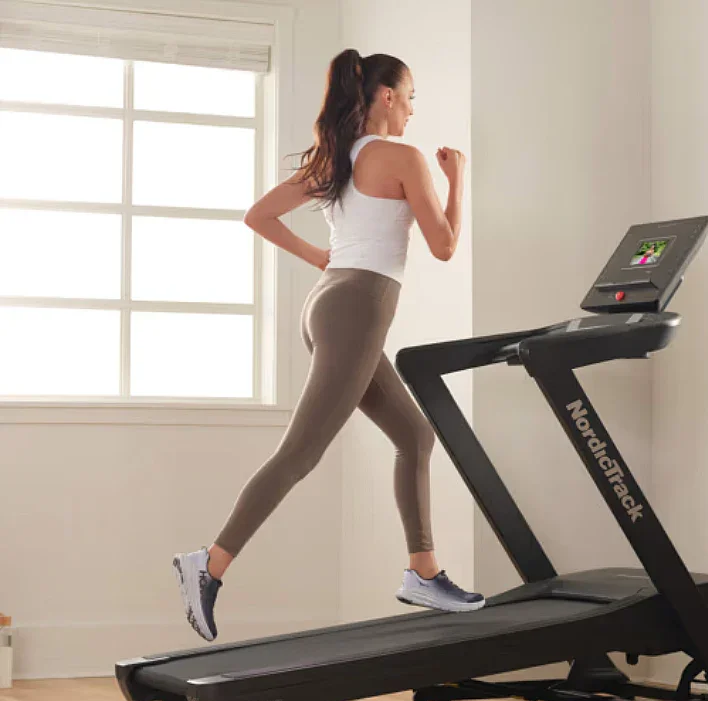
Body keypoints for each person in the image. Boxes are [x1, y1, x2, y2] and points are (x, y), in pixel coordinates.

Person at [173, 48, 485, 643]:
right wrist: (457, 179)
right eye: (411, 96)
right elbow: (444, 246)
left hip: (328, 303)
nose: (414, 110)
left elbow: (259, 216)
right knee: (301, 454)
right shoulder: (402, 157)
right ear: (387, 96)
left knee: (416, 435)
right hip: (357, 308)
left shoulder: (336, 158)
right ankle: (207, 567)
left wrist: (324, 259)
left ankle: (423, 570)